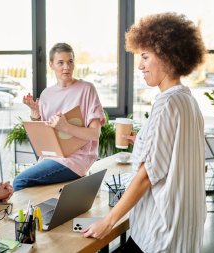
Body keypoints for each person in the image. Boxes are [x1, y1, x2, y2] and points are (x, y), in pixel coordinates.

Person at [82, 13, 207, 252]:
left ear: (168, 56)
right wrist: (143, 141)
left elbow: (147, 175)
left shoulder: (166, 104)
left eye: (145, 57)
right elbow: (176, 153)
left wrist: (108, 222)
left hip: (159, 233)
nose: (140, 66)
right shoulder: (188, 101)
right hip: (183, 230)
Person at [13, 43, 105, 191]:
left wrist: (66, 127)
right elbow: (43, 139)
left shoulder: (87, 89)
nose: (66, 67)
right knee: (29, 186)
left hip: (76, 160)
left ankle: (23, 215)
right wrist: (35, 115)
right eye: (60, 63)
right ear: (51, 65)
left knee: (19, 181)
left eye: (70, 61)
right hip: (51, 158)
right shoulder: (46, 94)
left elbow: (95, 134)